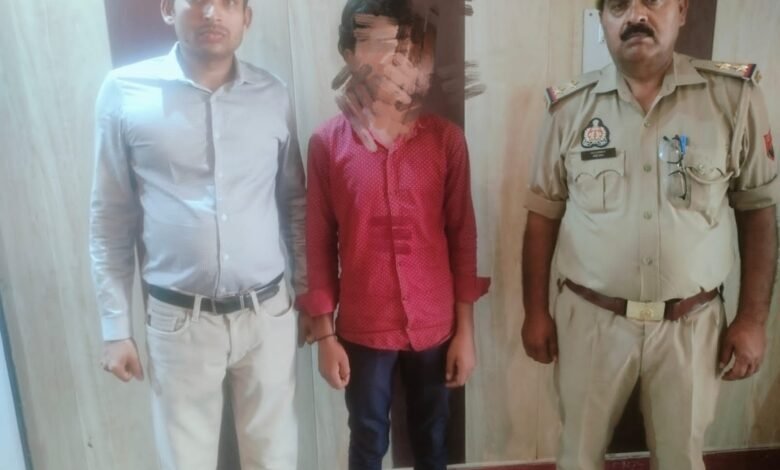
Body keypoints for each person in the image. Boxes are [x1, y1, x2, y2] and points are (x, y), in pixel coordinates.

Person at [522, 1, 777, 469]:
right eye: (618, 5)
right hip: (590, 322)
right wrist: (535, 312)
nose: (635, 15)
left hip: (692, 326)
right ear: (602, 19)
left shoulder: (733, 98)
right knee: (577, 455)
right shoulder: (569, 108)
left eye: (652, 1)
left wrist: (753, 320)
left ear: (681, 10)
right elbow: (542, 217)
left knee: (681, 459)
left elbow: (758, 212)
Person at [89, 0, 306, 468]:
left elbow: (295, 203)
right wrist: (115, 329)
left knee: (275, 458)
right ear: (169, 9)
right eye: (199, 1)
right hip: (178, 320)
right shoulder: (125, 92)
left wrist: (308, 297)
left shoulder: (273, 95)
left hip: (267, 314)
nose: (212, 13)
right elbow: (110, 219)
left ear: (246, 17)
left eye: (228, 3)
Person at [296, 1, 490, 469]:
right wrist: (324, 336)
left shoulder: (445, 141)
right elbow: (317, 243)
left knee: (433, 437)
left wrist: (466, 332)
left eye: (401, 44)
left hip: (435, 324)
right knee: (367, 439)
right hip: (363, 326)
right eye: (375, 44)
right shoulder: (328, 145)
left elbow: (462, 237)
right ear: (349, 54)